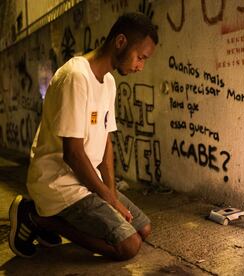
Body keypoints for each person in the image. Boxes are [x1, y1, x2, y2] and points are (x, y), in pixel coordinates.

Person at [8, 12, 158, 261]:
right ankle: (39, 218)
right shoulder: (76, 76)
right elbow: (73, 154)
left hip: (86, 182)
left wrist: (110, 193)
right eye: (140, 57)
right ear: (120, 42)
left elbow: (106, 141)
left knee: (144, 229)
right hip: (59, 183)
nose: (140, 66)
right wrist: (110, 200)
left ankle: (51, 218)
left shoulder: (109, 82)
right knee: (129, 245)